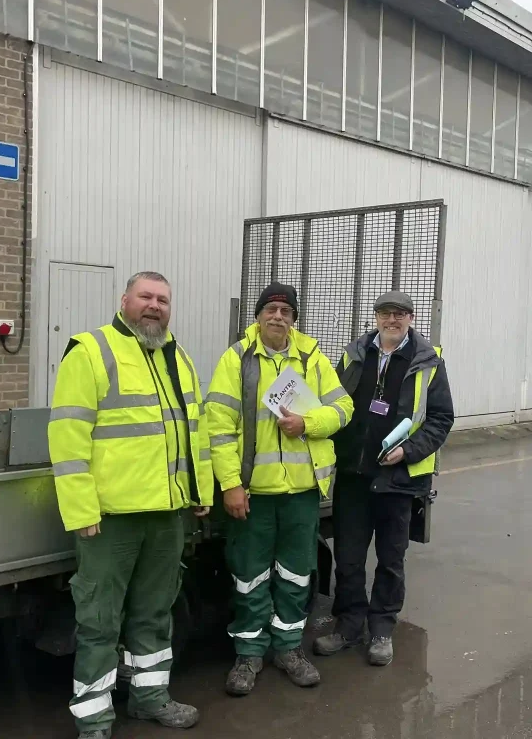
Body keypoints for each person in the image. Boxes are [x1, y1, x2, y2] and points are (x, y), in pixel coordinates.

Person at [48, 271, 214, 739]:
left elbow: (192, 432)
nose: (155, 305)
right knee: (99, 622)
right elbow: (67, 437)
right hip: (110, 521)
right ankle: (94, 720)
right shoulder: (91, 351)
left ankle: (149, 698)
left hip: (166, 516)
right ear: (124, 300)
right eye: (146, 296)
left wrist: (200, 492)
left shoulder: (176, 356)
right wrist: (81, 511)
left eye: (163, 299)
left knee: (155, 614)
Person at [206, 282, 354, 696]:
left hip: (302, 493)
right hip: (254, 493)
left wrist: (307, 423)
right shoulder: (236, 360)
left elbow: (344, 408)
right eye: (270, 309)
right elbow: (218, 428)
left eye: (286, 312)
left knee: (296, 574)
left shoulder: (311, 359)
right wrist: (231, 484)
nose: (278, 317)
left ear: (294, 320)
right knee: (250, 575)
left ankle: (289, 648)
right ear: (257, 316)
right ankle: (249, 654)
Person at [314, 291, 454, 666]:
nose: (392, 320)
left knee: (391, 560)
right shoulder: (355, 353)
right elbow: (334, 404)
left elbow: (441, 419)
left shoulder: (428, 363)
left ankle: (381, 630)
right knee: (349, 556)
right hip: (353, 475)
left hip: (398, 479)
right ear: (375, 317)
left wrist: (407, 451)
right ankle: (347, 626)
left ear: (411, 318)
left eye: (400, 314)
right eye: (385, 314)